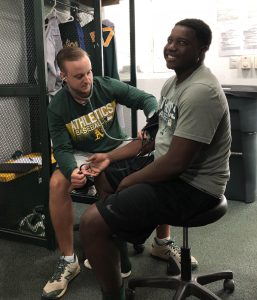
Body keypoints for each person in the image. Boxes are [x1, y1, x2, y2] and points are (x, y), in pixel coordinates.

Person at [79, 18, 231, 300]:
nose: (171, 47)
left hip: (195, 187)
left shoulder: (201, 92)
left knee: (90, 222)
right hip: (171, 171)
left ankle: (113, 290)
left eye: (182, 43)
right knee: (103, 173)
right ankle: (118, 239)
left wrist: (129, 181)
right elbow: (149, 138)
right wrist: (107, 157)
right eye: (170, 40)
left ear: (202, 50)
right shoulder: (172, 84)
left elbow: (176, 164)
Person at [42, 46, 159, 299]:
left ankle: (162, 243)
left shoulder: (107, 86)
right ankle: (68, 260)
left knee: (161, 155)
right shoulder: (57, 107)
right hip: (83, 155)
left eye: (89, 72)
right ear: (63, 76)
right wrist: (72, 171)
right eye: (79, 76)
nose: (87, 80)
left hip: (117, 146)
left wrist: (151, 124)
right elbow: (61, 148)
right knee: (57, 183)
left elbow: (147, 100)